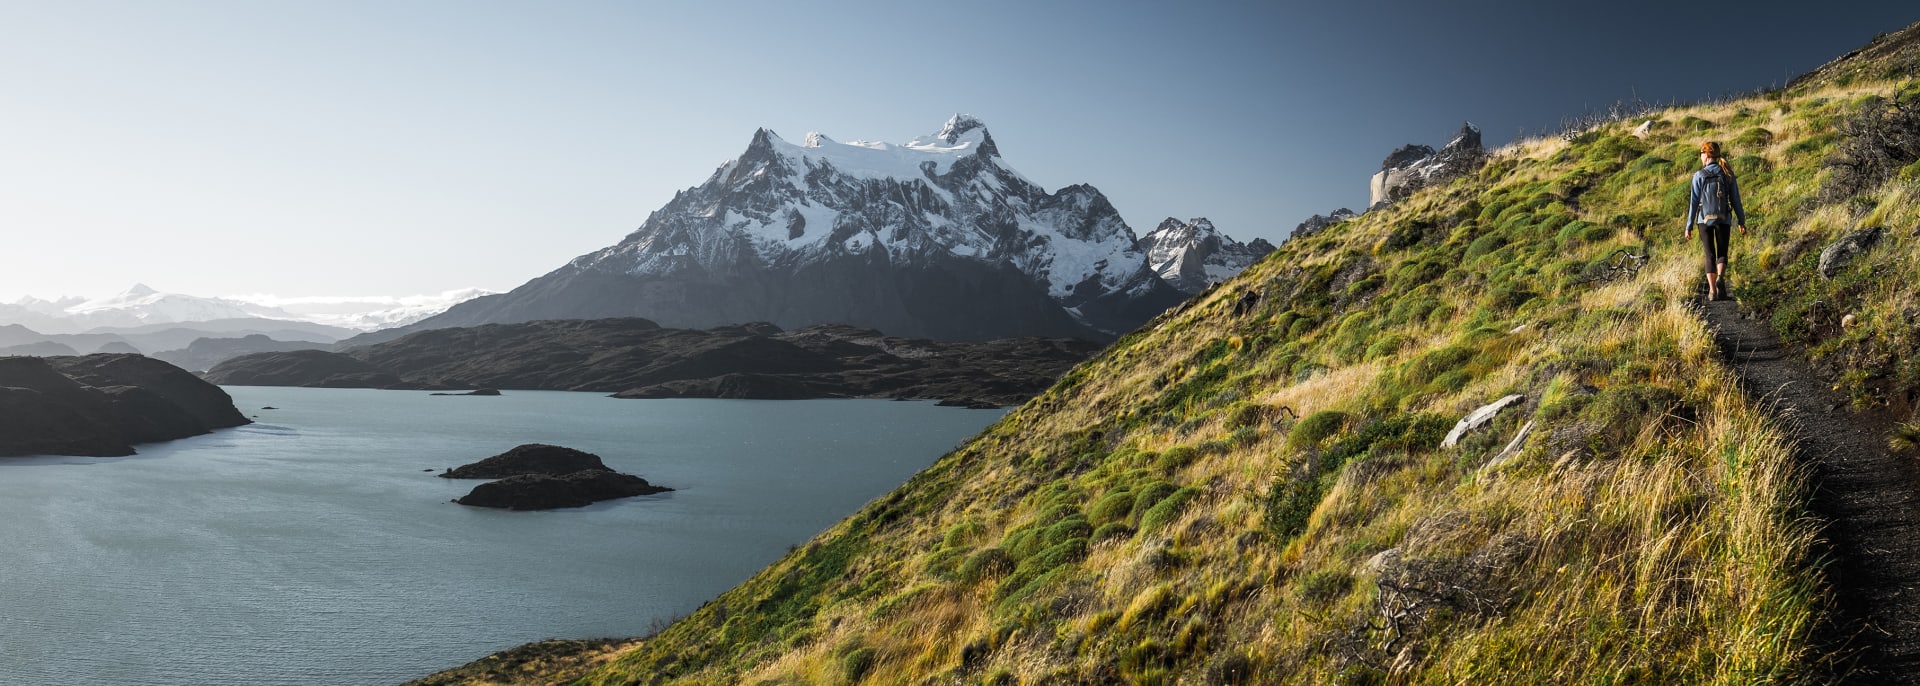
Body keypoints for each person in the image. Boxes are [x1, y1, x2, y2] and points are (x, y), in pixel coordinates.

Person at [1684, 141, 1748, 301]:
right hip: (1723, 218)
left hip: (1703, 220)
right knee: (1722, 252)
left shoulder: (1698, 175)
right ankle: (1720, 277)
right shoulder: (1727, 173)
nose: (1701, 156)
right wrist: (1741, 221)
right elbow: (1735, 200)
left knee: (1709, 254)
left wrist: (1689, 226)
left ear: (1706, 155)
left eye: (1701, 153)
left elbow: (1693, 202)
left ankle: (1712, 291)